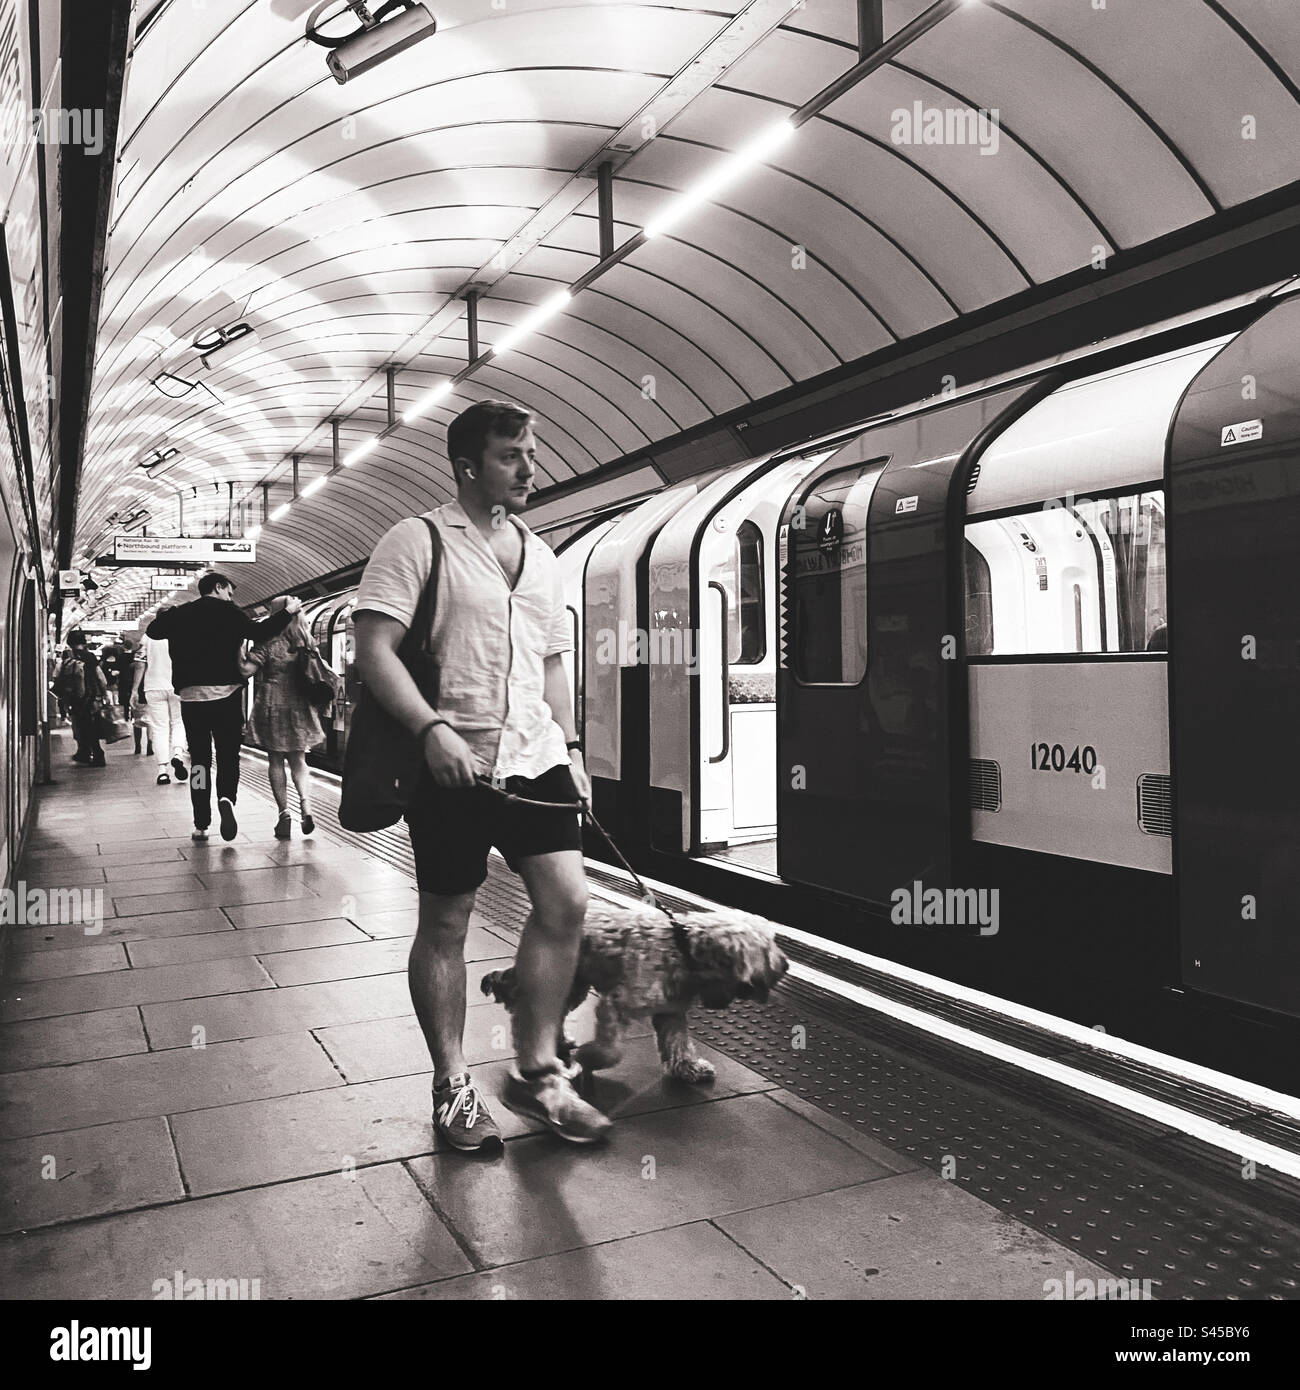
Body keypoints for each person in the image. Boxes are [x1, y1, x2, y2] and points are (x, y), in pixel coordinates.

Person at [354, 398, 609, 1150]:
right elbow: (374, 650)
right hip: (450, 765)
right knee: (446, 922)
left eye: (531, 452)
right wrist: (429, 729)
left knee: (567, 903)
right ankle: (453, 1084)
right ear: (469, 466)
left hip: (535, 759)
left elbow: (550, 664)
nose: (529, 468)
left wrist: (574, 750)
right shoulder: (417, 540)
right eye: (511, 456)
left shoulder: (545, 558)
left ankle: (536, 1069)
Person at [147, 573, 301, 841]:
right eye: (229, 592)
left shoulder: (181, 613)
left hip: (192, 700)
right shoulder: (230, 613)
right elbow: (260, 631)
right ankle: (227, 798)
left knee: (199, 762)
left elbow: (153, 631)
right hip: (227, 697)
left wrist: (168, 614)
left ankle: (201, 823)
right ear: (218, 587)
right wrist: (287, 612)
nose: (231, 597)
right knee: (228, 757)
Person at [240, 609, 326, 839]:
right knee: (299, 760)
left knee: (276, 760)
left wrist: (236, 649)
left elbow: (244, 671)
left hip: (272, 705)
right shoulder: (306, 642)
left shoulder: (269, 643)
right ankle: (306, 807)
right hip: (299, 705)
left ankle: (284, 814)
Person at [131, 632, 189, 786]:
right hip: (178, 686)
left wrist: (134, 690)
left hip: (153, 687)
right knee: (179, 722)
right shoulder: (182, 635)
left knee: (159, 728)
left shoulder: (147, 637)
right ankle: (177, 754)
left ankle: (162, 772)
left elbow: (139, 664)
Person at [55, 631, 108, 767]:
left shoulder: (66, 656)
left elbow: (58, 676)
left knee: (79, 725)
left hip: (74, 697)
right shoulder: (89, 656)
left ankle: (84, 751)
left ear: (69, 642)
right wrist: (104, 693)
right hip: (90, 697)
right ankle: (97, 754)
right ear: (84, 641)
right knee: (91, 725)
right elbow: (100, 677)